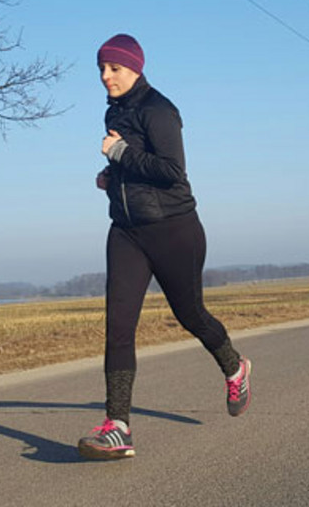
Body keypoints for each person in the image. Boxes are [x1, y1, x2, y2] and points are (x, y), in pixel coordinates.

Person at [77, 34, 251, 460]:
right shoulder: (115, 111)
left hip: (174, 229)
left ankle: (234, 366)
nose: (105, 76)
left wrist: (119, 153)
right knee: (119, 325)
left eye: (114, 68)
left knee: (190, 314)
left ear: (135, 67)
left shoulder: (160, 110)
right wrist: (110, 178)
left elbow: (171, 171)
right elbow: (135, 167)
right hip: (126, 232)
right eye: (101, 69)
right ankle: (118, 427)